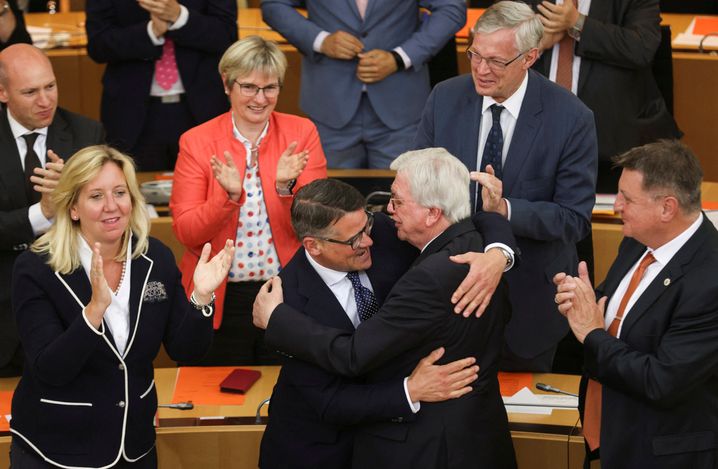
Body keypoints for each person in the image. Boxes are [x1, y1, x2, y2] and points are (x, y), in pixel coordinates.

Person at [254, 148, 517, 469]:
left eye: (367, 226)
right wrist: (410, 390)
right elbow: (332, 398)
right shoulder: (287, 298)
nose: (369, 241)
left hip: (424, 440)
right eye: (354, 239)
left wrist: (500, 252)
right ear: (314, 245)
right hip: (318, 450)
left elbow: (355, 353)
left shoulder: (392, 234)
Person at [9, 145, 234, 468]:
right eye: (96, 196)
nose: (111, 206)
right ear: (73, 208)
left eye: (119, 192)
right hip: (56, 450)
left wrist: (200, 297)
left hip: (135, 446)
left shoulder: (155, 257)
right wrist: (93, 312)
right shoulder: (36, 267)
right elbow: (50, 368)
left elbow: (187, 350)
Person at [414, 0, 598, 371]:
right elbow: (420, 186)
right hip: (449, 298)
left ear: (529, 58)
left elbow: (574, 218)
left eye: (496, 61)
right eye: (474, 55)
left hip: (527, 307)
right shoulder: (444, 98)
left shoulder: (571, 117)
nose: (481, 69)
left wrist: (505, 210)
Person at [554, 140, 718, 468]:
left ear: (667, 208)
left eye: (626, 198)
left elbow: (662, 381)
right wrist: (580, 299)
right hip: (610, 439)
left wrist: (592, 334)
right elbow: (612, 312)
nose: (615, 206)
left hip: (663, 455)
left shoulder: (710, 278)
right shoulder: (635, 242)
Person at [170, 36, 327, 366]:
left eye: (270, 88)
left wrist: (285, 188)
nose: (260, 99)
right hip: (221, 293)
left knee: (287, 392)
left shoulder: (302, 133)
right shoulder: (196, 141)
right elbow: (186, 232)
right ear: (227, 83)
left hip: (286, 290)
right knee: (218, 399)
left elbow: (319, 227)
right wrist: (226, 198)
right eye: (249, 87)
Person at [261, 0, 466, 169]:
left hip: (400, 111)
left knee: (403, 206)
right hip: (329, 109)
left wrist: (401, 57)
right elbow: (273, 5)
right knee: (328, 207)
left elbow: (452, 8)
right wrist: (321, 41)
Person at [0, 44, 103, 377]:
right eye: (30, 92)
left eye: (50, 86)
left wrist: (75, 198)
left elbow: (110, 219)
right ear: (2, 93)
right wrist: (43, 212)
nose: (45, 101)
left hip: (69, 304)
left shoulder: (86, 135)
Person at [530, 0, 681, 194]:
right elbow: (499, 49)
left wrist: (578, 24)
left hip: (614, 149)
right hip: (537, 142)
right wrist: (536, 44)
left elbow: (642, 47)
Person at [85, 0, 237, 171]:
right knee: (131, 190)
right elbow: (98, 44)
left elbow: (228, 35)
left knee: (209, 187)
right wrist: (151, 32)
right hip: (131, 111)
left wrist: (179, 17)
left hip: (202, 107)